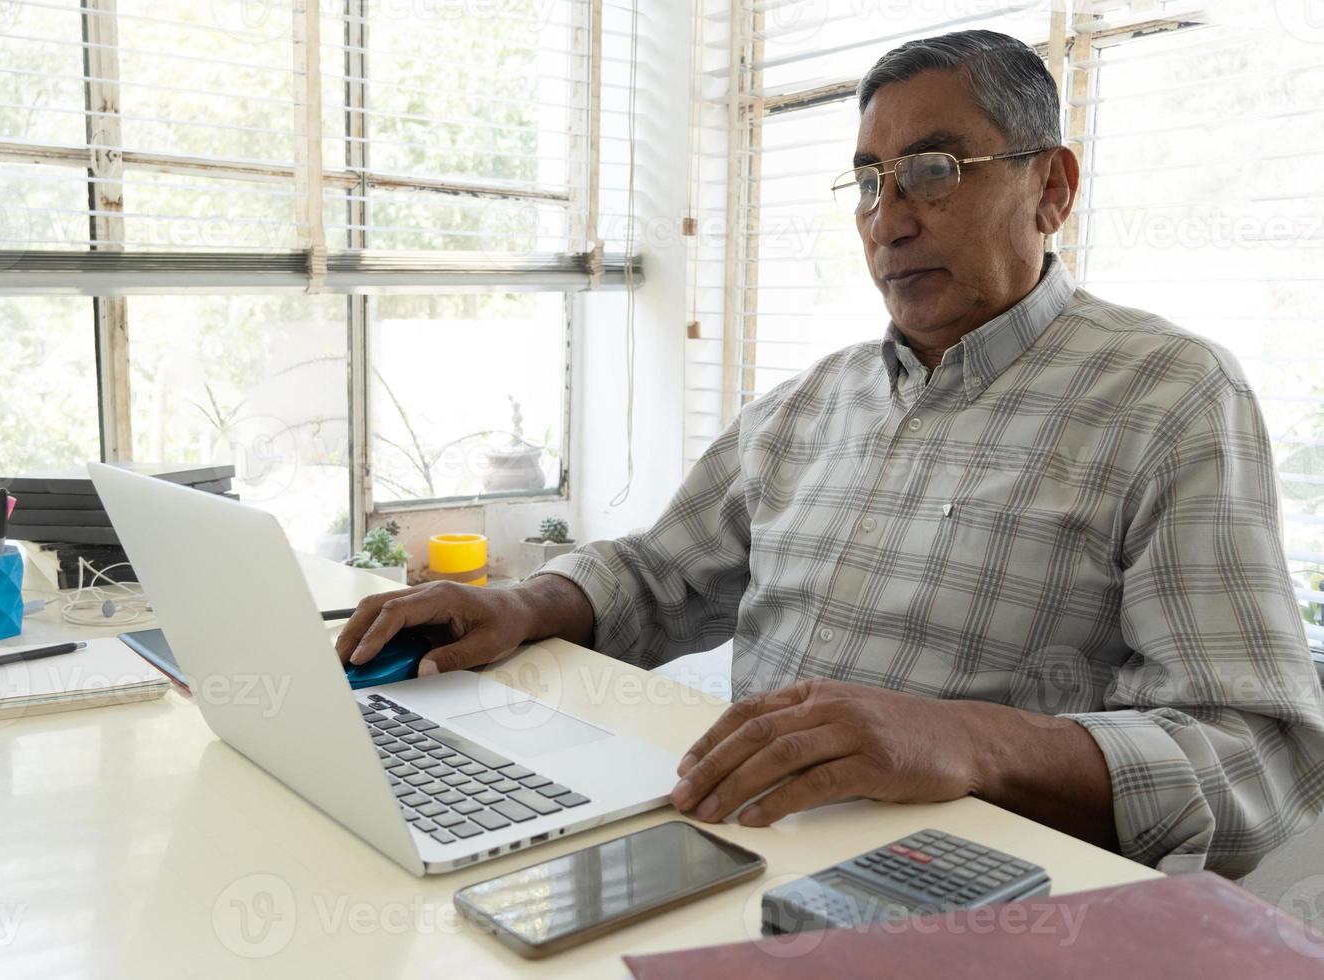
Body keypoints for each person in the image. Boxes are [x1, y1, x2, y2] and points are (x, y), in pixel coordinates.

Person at [336, 30, 1324, 876]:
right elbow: (654, 574)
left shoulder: (1170, 396)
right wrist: (520, 602)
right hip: (737, 844)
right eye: (867, 182)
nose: (889, 221)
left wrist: (970, 740)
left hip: (972, 900)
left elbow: (1257, 759)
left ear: (1051, 188)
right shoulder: (809, 403)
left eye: (935, 172)